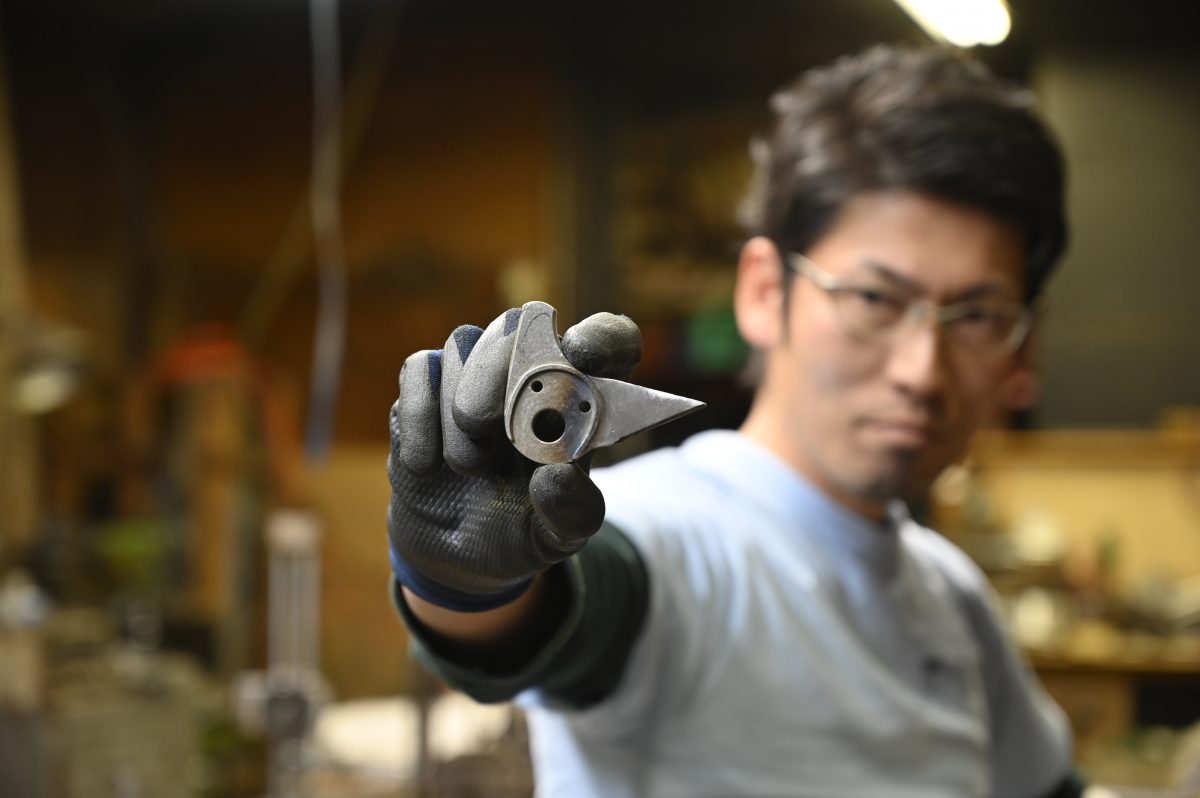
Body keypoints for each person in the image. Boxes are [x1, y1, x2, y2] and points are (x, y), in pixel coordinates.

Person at [387, 44, 1091, 797]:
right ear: (763, 290)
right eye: (875, 298)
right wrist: (464, 584)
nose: (922, 370)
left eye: (978, 315)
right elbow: (565, 615)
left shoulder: (952, 596)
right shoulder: (670, 539)